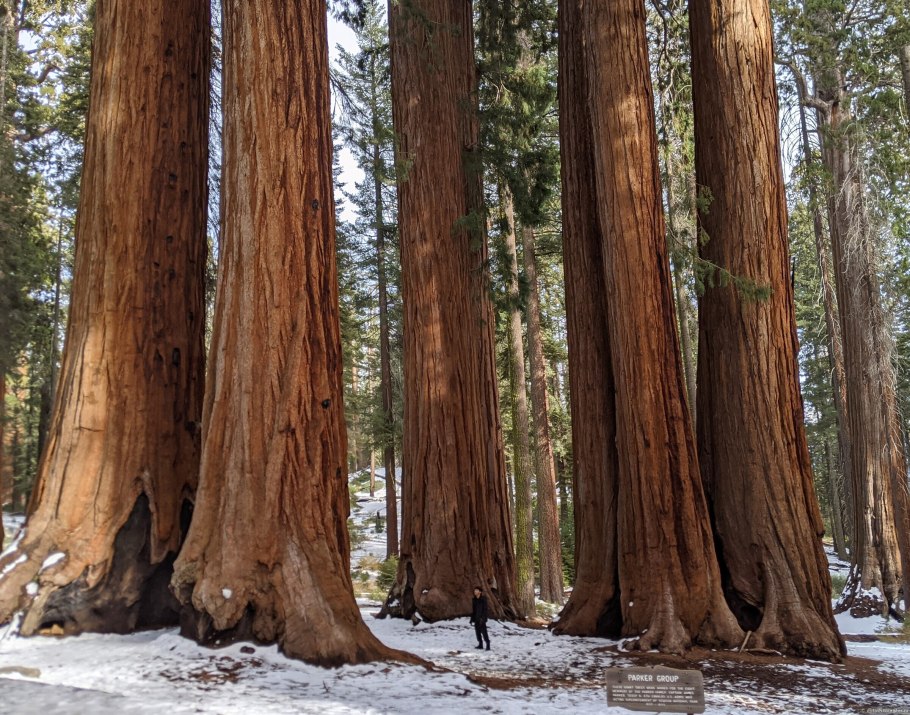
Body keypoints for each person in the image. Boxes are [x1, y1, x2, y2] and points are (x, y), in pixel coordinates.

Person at [470, 586, 490, 650]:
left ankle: (488, 644)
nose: (475, 591)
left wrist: (483, 618)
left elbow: (485, 610)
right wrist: (472, 619)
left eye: (476, 590)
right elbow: (474, 610)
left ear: (480, 592)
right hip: (476, 618)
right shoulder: (474, 600)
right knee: (477, 632)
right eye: (474, 590)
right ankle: (480, 644)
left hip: (482, 619)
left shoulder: (483, 599)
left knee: (484, 632)